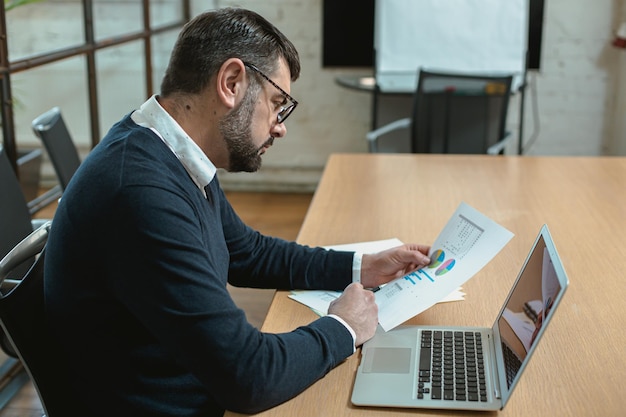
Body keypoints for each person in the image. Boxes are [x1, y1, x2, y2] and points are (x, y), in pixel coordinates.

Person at [44, 7, 431, 417]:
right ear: (231, 83)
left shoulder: (170, 149)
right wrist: (344, 327)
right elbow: (248, 377)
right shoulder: (140, 192)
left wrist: (362, 268)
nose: (280, 126)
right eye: (277, 102)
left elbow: (247, 252)